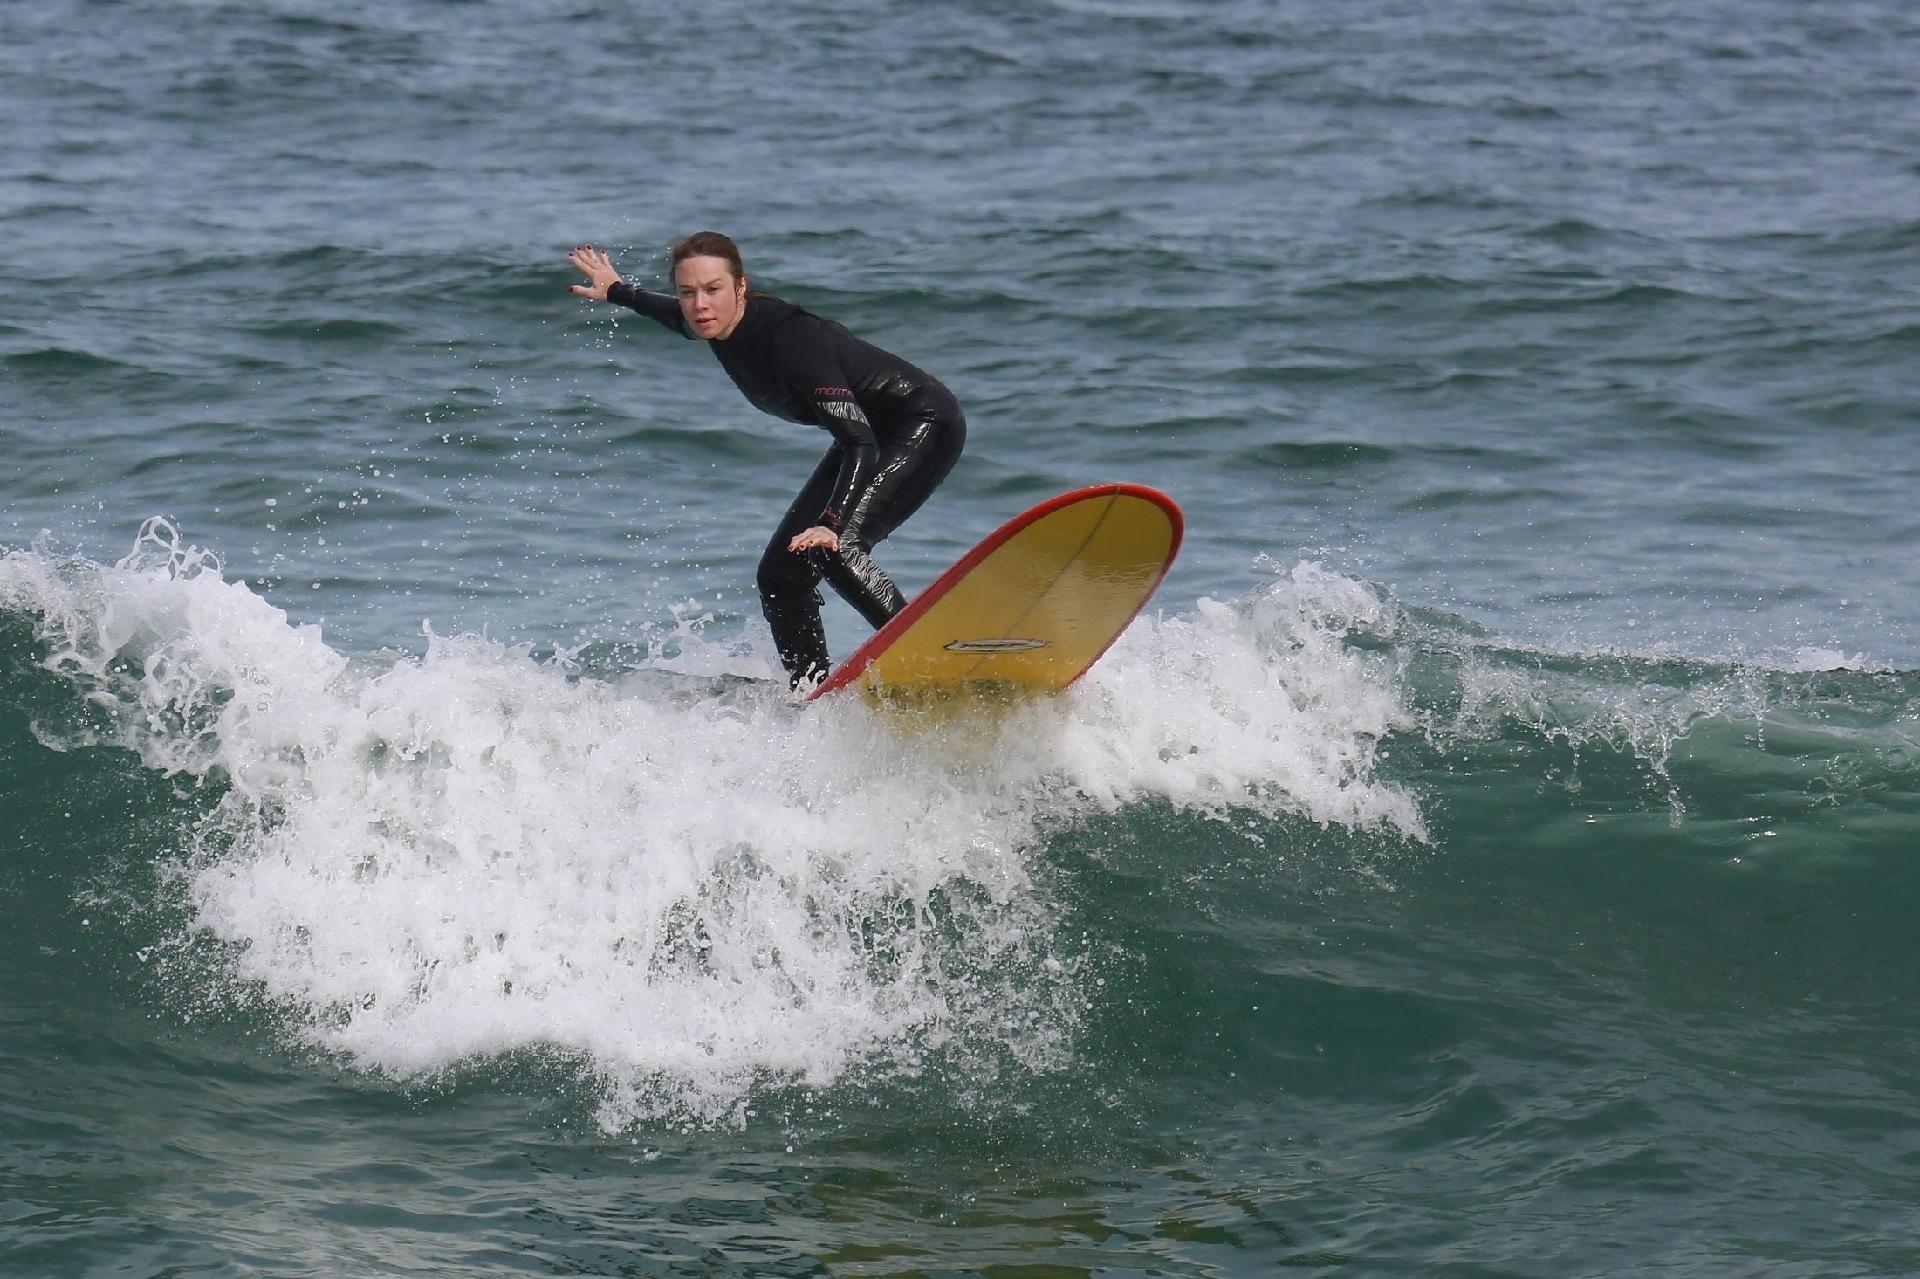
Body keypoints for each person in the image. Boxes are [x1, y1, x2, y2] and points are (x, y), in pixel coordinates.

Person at [567, 232, 966, 689]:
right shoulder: (710, 322)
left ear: (741, 287)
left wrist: (832, 524)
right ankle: (810, 692)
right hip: (868, 434)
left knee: (835, 548)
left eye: (713, 289)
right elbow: (673, 316)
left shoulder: (790, 340)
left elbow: (859, 443)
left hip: (921, 423)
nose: (700, 305)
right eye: (687, 292)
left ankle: (931, 664)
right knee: (780, 574)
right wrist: (617, 290)